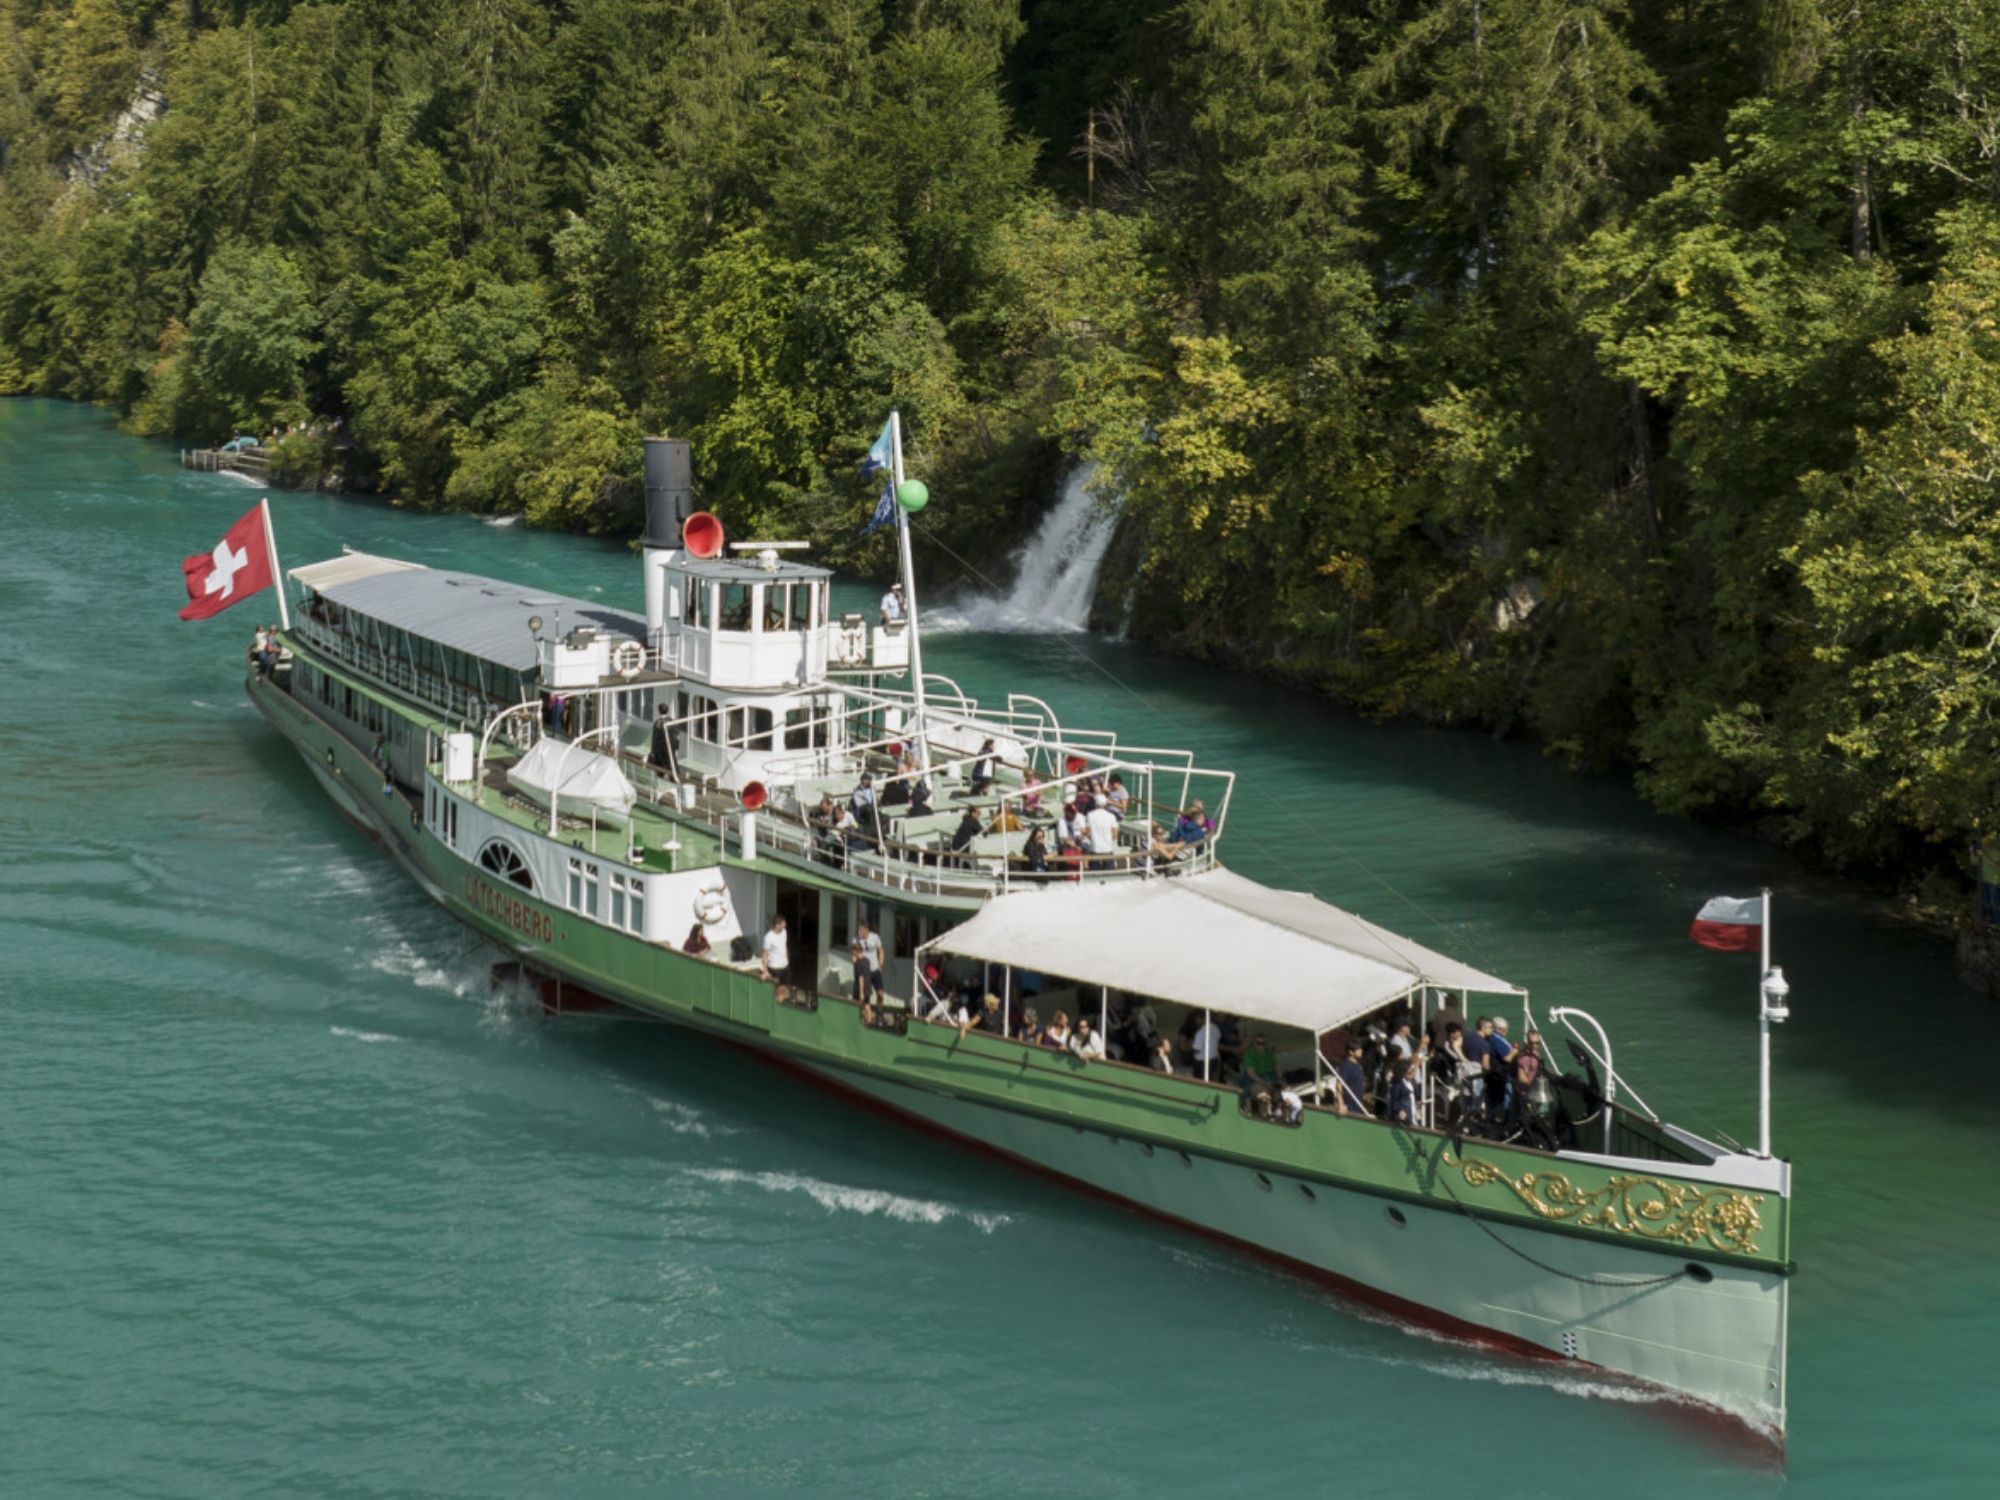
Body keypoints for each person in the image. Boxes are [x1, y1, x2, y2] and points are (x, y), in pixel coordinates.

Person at [1333, 1038, 1368, 1116]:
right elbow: (1339, 1085)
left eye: (1361, 1048)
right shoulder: (1346, 1065)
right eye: (1358, 1049)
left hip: (1358, 1104)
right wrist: (1341, 1105)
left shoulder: (1358, 1065)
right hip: (1349, 1106)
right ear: (1351, 1052)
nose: (1361, 1050)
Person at [759, 915, 790, 987]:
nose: (784, 926)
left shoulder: (784, 932)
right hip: (775, 968)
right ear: (777, 925)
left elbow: (784, 946)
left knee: (787, 989)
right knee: (777, 990)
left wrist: (787, 959)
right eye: (783, 924)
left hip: (785, 966)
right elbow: (765, 954)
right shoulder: (769, 937)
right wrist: (765, 970)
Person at [1387, 1058, 1418, 1126]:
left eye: (1414, 1071)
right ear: (1403, 1072)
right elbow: (1394, 1100)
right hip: (1403, 1116)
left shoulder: (1412, 1082)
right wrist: (1399, 1110)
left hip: (1411, 1112)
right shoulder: (1398, 1085)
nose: (1413, 1073)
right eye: (1411, 1071)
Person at [1190, 1013, 1221, 1079]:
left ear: (1202, 1018)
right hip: (1215, 1060)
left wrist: (1190, 1045)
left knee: (1200, 1084)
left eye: (1197, 1019)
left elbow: (1197, 1050)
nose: (1196, 1021)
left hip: (1203, 1064)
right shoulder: (1215, 1028)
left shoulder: (1201, 1032)